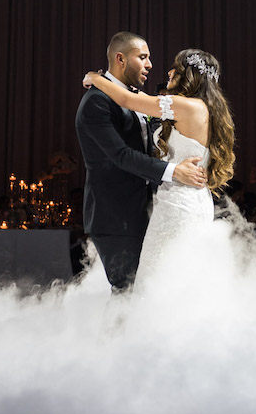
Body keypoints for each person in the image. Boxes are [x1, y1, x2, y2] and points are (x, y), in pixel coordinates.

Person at [82, 43, 235, 288]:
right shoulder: (202, 107)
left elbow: (126, 99)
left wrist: (95, 78)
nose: (168, 73)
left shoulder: (185, 106)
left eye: (175, 69)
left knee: (158, 280)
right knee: (179, 278)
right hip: (192, 200)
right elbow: (142, 99)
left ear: (188, 75)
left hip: (178, 205)